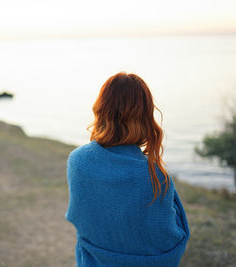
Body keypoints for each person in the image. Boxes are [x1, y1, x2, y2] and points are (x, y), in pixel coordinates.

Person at [65, 72, 190, 267]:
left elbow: (84, 223)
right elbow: (170, 240)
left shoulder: (77, 161)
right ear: (145, 116)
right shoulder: (154, 175)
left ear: (101, 109)